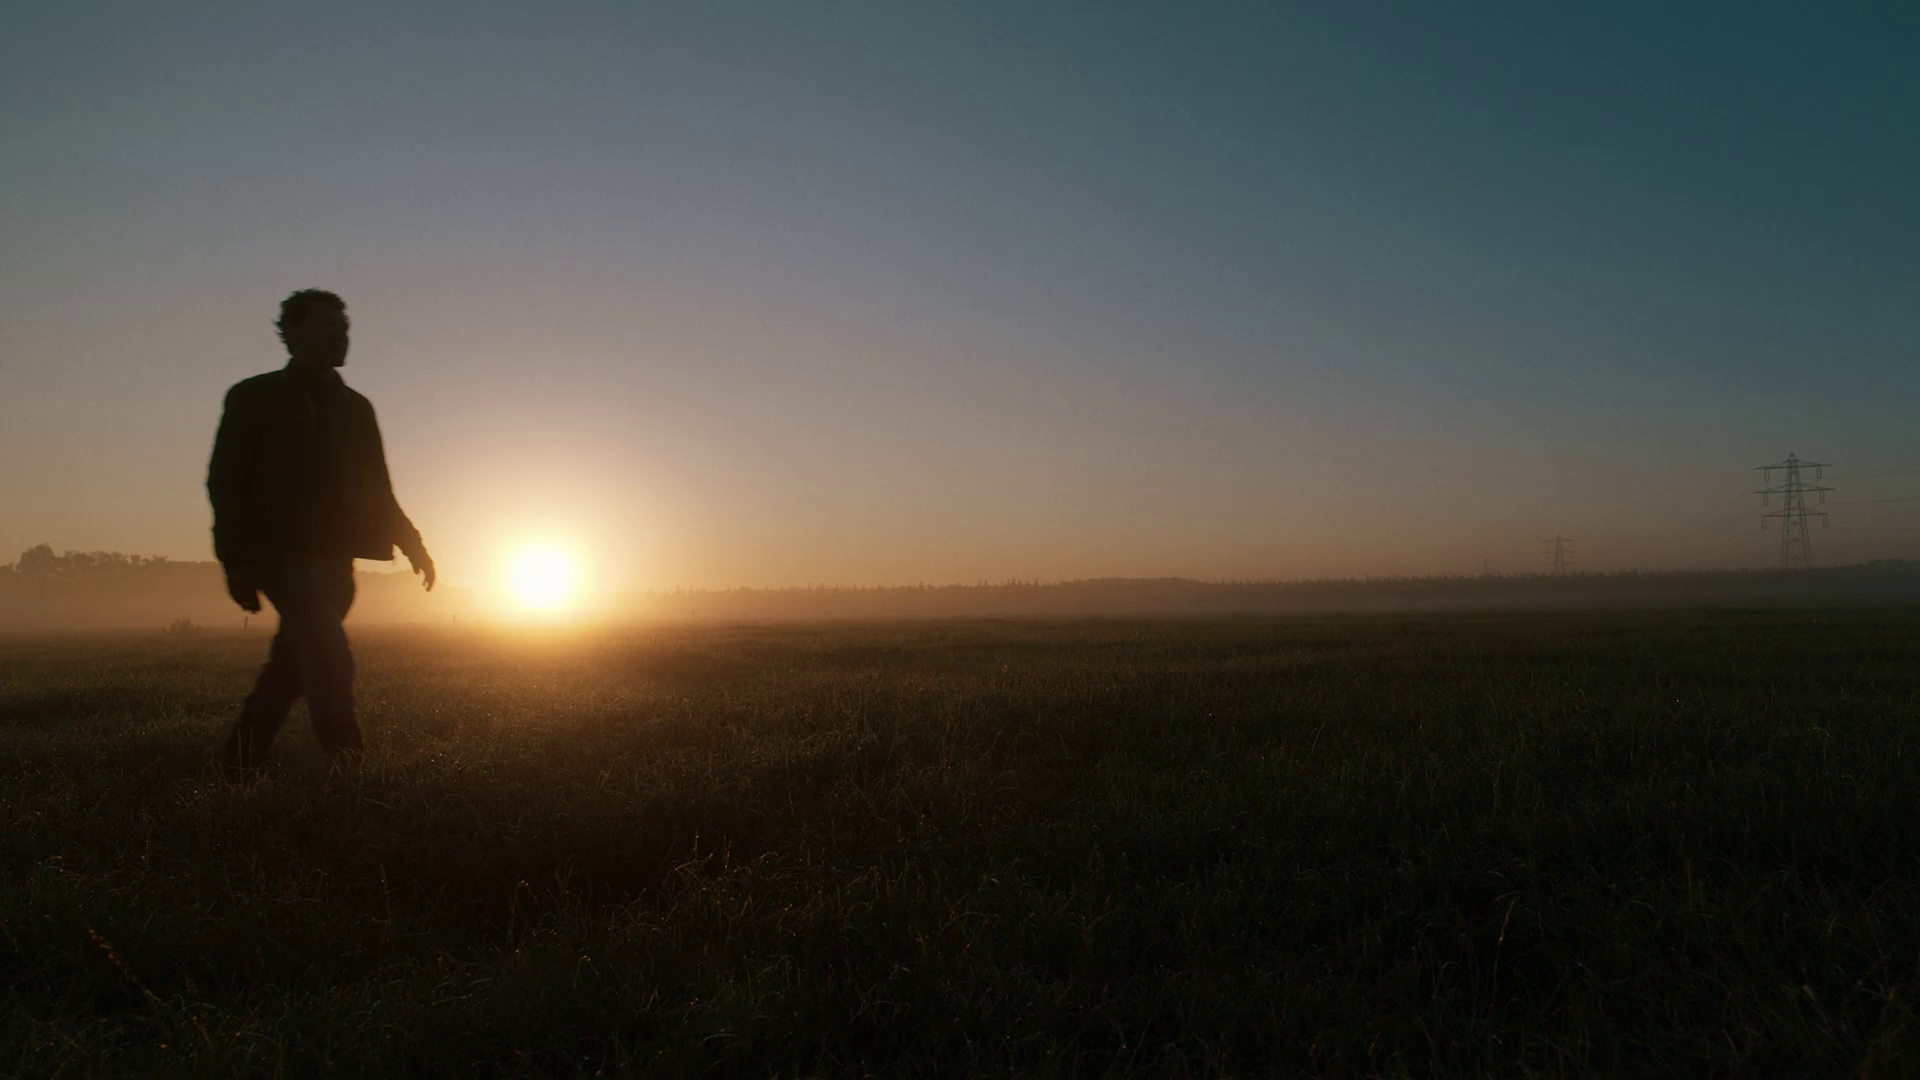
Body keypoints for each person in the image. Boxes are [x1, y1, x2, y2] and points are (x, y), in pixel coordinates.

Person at [207, 289, 435, 779]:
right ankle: (351, 775)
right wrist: (237, 563)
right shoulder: (253, 397)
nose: (339, 336)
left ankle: (236, 770)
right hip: (282, 561)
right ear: (290, 334)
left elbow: (378, 486)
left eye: (343, 327)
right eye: (325, 326)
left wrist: (412, 543)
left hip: (337, 567)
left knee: (288, 672)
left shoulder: (356, 408)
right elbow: (225, 485)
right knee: (331, 660)